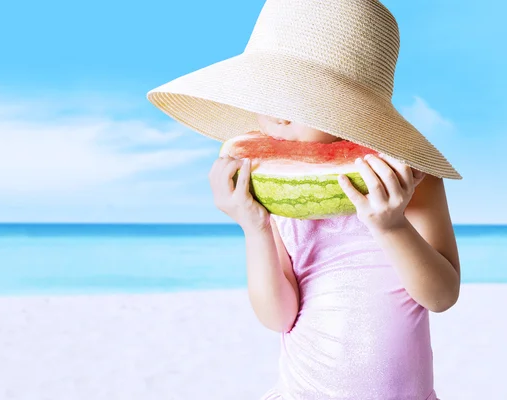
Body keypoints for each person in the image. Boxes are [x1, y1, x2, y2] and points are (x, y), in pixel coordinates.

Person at [147, 1, 462, 398]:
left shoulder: (409, 178)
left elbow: (441, 296)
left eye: (299, 99)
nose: (278, 117)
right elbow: (278, 316)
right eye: (267, 97)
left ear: (352, 107)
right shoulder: (273, 188)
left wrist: (392, 225)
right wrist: (254, 226)